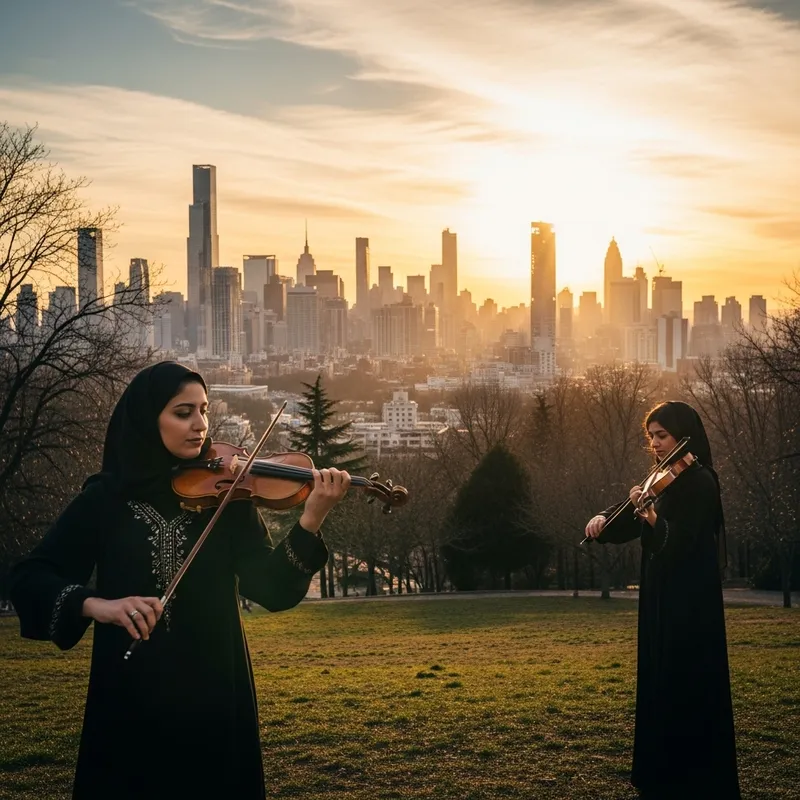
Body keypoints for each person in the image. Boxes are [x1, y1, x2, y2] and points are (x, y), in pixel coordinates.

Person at [9, 361, 351, 800]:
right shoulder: (105, 499)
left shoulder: (227, 495)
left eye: (204, 410)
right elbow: (30, 577)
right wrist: (98, 605)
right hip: (130, 689)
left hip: (215, 689)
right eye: (183, 412)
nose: (200, 425)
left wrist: (310, 519)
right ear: (148, 418)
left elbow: (271, 588)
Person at [584, 400, 740, 799]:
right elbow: (633, 520)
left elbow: (684, 541)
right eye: (650, 436)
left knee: (684, 677)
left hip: (690, 600)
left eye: (661, 436)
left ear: (682, 434)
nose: (654, 444)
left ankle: (691, 775)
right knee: (659, 675)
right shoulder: (663, 475)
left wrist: (651, 516)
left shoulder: (702, 481)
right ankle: (661, 770)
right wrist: (604, 521)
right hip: (660, 593)